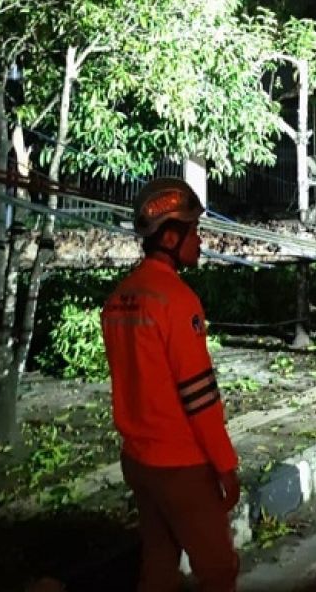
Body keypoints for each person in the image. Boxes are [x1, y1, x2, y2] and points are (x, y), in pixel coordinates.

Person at [102, 178, 241, 592]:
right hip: (180, 465)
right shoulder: (177, 301)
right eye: (193, 231)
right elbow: (199, 396)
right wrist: (225, 465)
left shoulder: (119, 299)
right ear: (169, 236)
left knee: (159, 567)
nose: (199, 241)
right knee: (218, 570)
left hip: (139, 461)